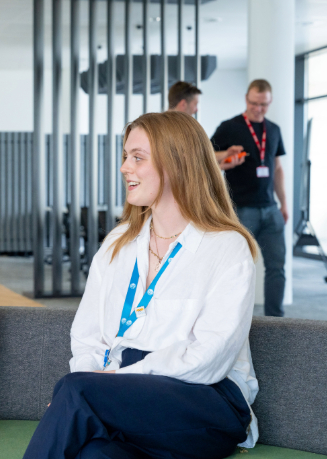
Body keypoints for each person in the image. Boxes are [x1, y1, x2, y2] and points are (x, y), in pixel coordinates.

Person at [23, 111, 259, 459]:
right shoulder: (118, 243)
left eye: (137, 157)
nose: (124, 168)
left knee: (74, 392)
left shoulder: (225, 246)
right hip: (128, 396)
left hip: (206, 399)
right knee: (94, 454)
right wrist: (102, 389)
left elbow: (209, 358)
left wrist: (108, 385)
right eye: (124, 156)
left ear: (176, 163)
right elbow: (87, 335)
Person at [211, 79, 287, 317]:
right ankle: (234, 317)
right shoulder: (230, 126)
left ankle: (277, 320)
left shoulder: (273, 130)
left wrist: (284, 203)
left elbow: (276, 168)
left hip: (270, 210)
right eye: (254, 103)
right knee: (238, 268)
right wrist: (226, 158)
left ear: (270, 101)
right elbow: (208, 157)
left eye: (263, 104)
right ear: (246, 99)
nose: (258, 108)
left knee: (277, 268)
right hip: (241, 210)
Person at [168, 81, 245, 171]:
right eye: (195, 104)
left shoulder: (159, 127)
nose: (196, 110)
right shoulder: (175, 131)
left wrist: (226, 154)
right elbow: (188, 166)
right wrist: (218, 168)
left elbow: (199, 157)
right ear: (183, 104)